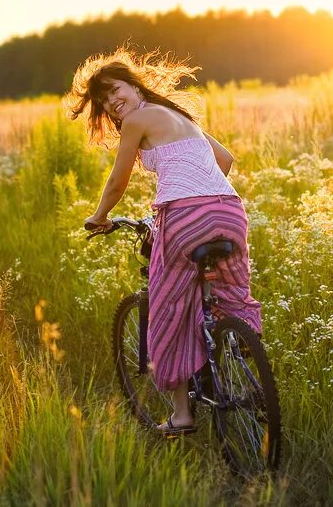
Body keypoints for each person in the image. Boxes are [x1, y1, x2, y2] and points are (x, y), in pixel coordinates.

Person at [66, 48, 262, 436]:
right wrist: (196, 184)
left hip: (185, 218)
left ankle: (182, 414)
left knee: (168, 307)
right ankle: (238, 354)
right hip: (229, 212)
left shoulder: (137, 119)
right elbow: (225, 159)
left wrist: (100, 216)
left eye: (114, 90)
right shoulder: (183, 119)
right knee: (230, 296)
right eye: (104, 100)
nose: (112, 102)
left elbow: (118, 180)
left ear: (134, 85)